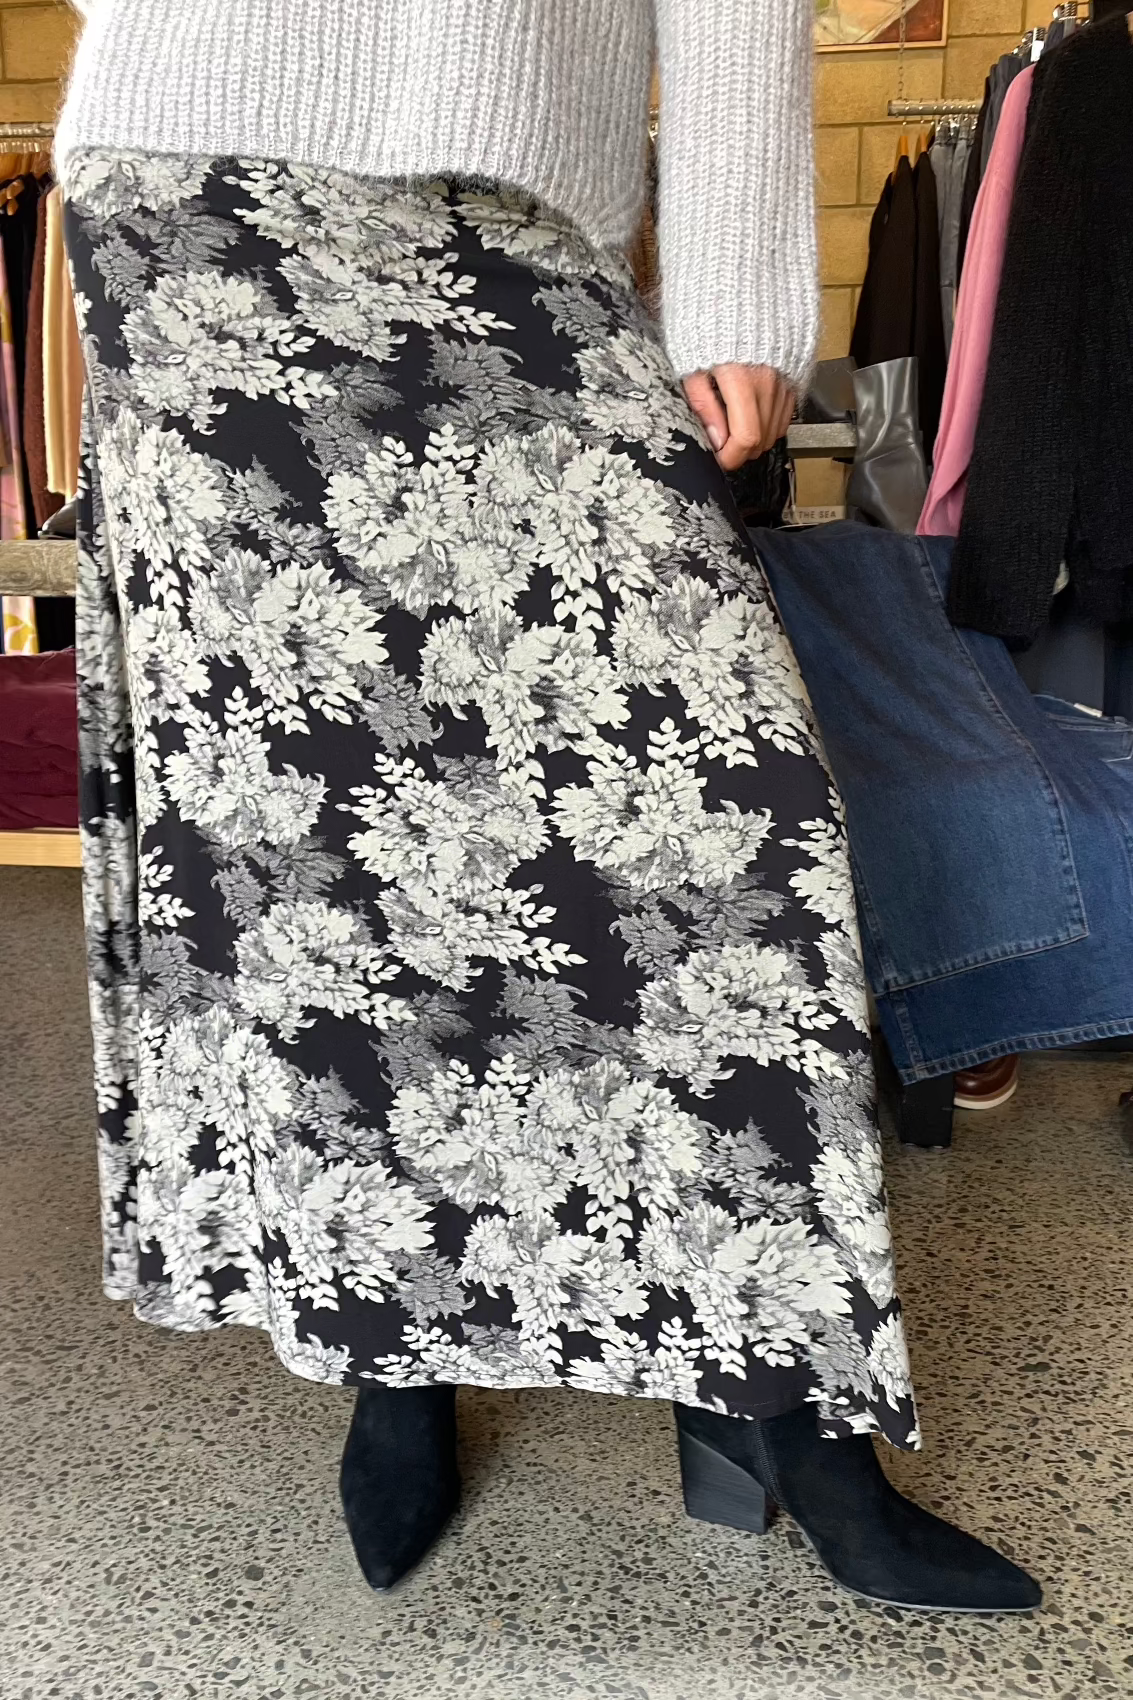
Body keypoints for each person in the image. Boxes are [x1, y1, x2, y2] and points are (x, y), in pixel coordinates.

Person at [57, 0, 1038, 1611]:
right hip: (200, 186)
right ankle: (394, 1350)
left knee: (719, 809)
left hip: (517, 204)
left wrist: (735, 273)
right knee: (321, 839)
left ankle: (790, 1404)